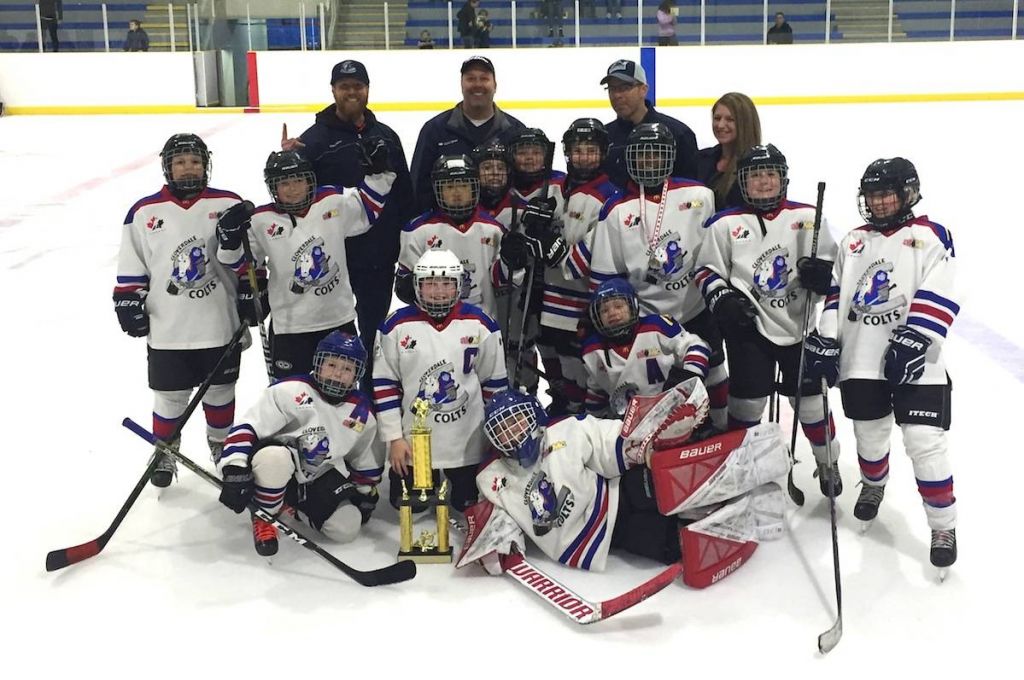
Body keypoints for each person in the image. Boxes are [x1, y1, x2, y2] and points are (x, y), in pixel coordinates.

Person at [455, 382, 789, 585]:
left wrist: (640, 446)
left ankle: (714, 490)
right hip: (600, 539)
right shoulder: (493, 478)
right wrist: (498, 546)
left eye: (517, 422)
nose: (513, 433)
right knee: (662, 544)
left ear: (535, 416)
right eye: (503, 429)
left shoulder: (564, 430)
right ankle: (718, 521)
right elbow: (497, 519)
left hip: (614, 494)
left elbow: (605, 440)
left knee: (653, 481)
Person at [804, 158, 959, 571]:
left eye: (889, 192)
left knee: (926, 444)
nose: (881, 201)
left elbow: (941, 289)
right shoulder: (854, 241)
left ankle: (943, 525)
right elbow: (837, 298)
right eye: (874, 194)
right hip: (862, 360)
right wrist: (826, 338)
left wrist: (917, 337)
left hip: (919, 362)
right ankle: (873, 485)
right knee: (869, 438)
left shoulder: (930, 235)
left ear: (909, 193)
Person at [695, 144, 841, 497]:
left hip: (800, 326)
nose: (763, 182)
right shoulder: (725, 224)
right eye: (755, 175)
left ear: (783, 179)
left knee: (810, 403)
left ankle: (828, 462)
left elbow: (834, 274)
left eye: (770, 174)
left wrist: (822, 277)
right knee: (746, 404)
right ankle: (741, 468)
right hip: (750, 328)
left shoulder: (808, 218)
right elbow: (706, 271)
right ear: (742, 181)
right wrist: (723, 298)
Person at [114, 133, 246, 486]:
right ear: (168, 168)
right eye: (180, 162)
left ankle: (222, 447)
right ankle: (165, 451)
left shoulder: (229, 204)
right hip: (168, 326)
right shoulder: (143, 212)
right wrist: (127, 298)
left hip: (219, 323)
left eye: (195, 162)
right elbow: (133, 266)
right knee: (169, 396)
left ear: (206, 165)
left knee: (221, 392)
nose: (188, 168)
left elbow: (247, 262)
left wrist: (249, 288)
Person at [280, 60, 415, 389]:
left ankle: (368, 393)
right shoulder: (313, 141)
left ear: (367, 89)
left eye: (358, 86)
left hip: (378, 255)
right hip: (330, 260)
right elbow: (293, 199)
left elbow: (404, 197)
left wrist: (406, 249)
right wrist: (287, 160)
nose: (352, 92)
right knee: (335, 329)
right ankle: (332, 392)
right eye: (344, 86)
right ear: (333, 90)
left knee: (372, 329)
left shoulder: (387, 137)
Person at [588, 123, 728, 429]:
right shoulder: (615, 210)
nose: (649, 162)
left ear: (670, 157)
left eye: (656, 154)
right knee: (656, 388)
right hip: (646, 320)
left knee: (715, 372)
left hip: (695, 308)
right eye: (642, 155)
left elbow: (714, 255)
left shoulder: (700, 196)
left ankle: (720, 434)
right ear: (630, 159)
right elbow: (606, 279)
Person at [215, 145, 395, 380]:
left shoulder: (332, 200)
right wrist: (228, 241)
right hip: (289, 328)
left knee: (342, 393)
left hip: (338, 320)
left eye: (299, 180)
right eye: (284, 183)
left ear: (310, 180)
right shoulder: (260, 220)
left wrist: (380, 172)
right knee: (290, 396)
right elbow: (243, 265)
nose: (293, 189)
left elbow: (368, 210)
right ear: (273, 188)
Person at [216, 332, 384, 557]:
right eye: (331, 364)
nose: (337, 373)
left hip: (315, 473)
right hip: (276, 461)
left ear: (357, 375)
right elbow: (249, 427)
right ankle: (265, 514)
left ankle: (292, 504)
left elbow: (364, 455)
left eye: (347, 369)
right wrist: (235, 466)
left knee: (347, 528)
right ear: (318, 363)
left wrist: (365, 491)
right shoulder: (289, 390)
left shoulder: (361, 412)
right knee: (275, 459)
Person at [374, 249, 508, 513]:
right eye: (430, 283)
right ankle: (426, 476)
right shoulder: (395, 326)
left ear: (459, 285)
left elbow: (495, 383)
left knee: (466, 505)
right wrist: (394, 439)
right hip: (417, 441)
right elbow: (385, 384)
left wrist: (495, 439)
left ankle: (459, 476)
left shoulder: (481, 323)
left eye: (446, 283)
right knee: (410, 508)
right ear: (416, 286)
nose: (438, 291)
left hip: (468, 439)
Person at [533, 118, 619, 415]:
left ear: (604, 153)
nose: (583, 157)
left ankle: (580, 414)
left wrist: (556, 249)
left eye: (591, 150)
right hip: (553, 296)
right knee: (553, 352)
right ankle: (564, 403)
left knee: (577, 360)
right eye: (577, 150)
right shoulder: (559, 187)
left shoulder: (607, 196)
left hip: (581, 299)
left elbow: (585, 257)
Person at [397, 155, 517, 321]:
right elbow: (405, 288)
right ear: (438, 189)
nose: (457, 193)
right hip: (432, 330)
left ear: (474, 187)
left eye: (463, 185)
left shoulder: (493, 230)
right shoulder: (417, 231)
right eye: (449, 186)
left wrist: (512, 261)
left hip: (481, 326)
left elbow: (503, 283)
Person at [409, 56, 526, 213]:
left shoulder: (515, 131)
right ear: (461, 84)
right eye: (471, 79)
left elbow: (525, 186)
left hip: (502, 230)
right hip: (447, 231)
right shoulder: (434, 130)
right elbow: (418, 188)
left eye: (484, 79)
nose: (477, 84)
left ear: (495, 85)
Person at [582, 279, 710, 417]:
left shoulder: (656, 326)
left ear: (633, 306)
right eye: (604, 310)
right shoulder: (593, 349)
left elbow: (697, 346)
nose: (612, 313)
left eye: (618, 306)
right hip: (629, 425)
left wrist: (689, 378)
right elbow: (596, 392)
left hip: (676, 411)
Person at [601, 59, 699, 190]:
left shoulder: (678, 134)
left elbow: (691, 189)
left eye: (625, 88)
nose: (617, 95)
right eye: (612, 89)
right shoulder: (604, 136)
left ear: (643, 89)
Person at [696, 92, 762, 212]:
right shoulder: (700, 159)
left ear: (745, 123)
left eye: (730, 119)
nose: (720, 125)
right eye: (717, 118)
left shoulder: (760, 166)